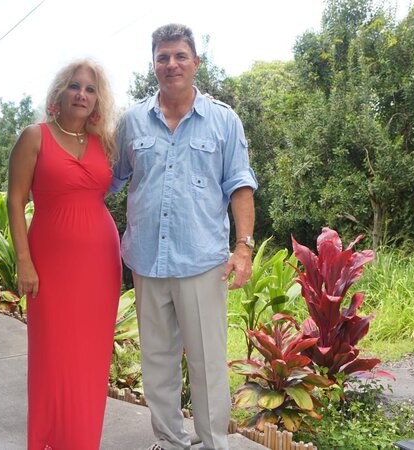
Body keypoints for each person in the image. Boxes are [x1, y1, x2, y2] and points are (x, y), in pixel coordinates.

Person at [110, 24, 258, 450]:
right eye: (162, 57)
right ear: (153, 64)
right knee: (156, 360)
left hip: (201, 261)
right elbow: (112, 178)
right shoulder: (133, 120)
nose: (171, 64)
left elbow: (240, 185)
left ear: (196, 62)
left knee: (208, 362)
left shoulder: (223, 120)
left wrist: (243, 248)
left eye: (179, 56)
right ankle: (170, 441)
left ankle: (214, 443)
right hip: (147, 261)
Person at [7, 59, 121, 450]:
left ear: (97, 100)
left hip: (100, 262)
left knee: (90, 357)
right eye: (75, 86)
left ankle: (82, 441)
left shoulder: (104, 142)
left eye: (90, 89)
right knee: (51, 353)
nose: (82, 94)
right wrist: (24, 261)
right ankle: (47, 439)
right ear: (60, 93)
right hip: (50, 262)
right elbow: (15, 200)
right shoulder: (34, 137)